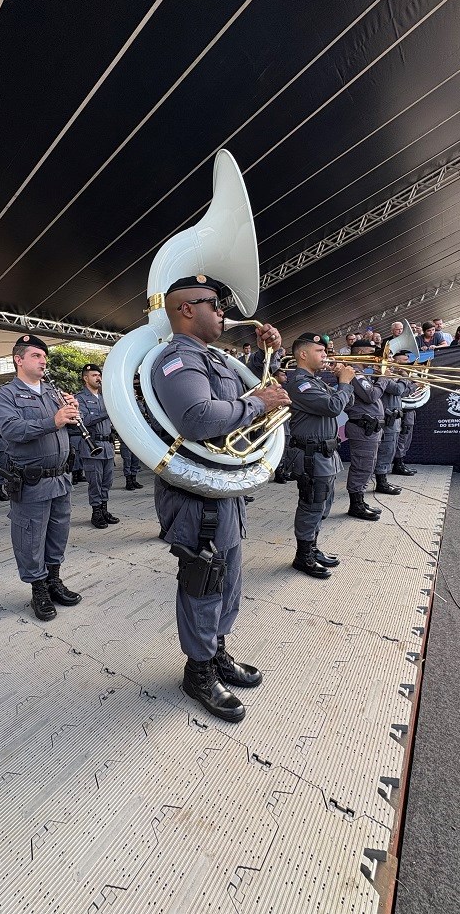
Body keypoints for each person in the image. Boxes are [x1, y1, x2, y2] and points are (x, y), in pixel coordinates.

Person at [151, 275, 291, 723]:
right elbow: (197, 417)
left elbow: (241, 400)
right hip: (196, 494)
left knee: (227, 580)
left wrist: (266, 356)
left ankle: (215, 653)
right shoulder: (177, 358)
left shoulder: (212, 358)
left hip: (220, 489)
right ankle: (198, 672)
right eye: (214, 303)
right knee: (204, 582)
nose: (223, 311)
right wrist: (258, 405)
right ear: (186, 309)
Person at [0, 334, 81, 621]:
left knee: (58, 533)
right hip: (32, 481)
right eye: (36, 356)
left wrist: (72, 413)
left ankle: (54, 580)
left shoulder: (53, 392)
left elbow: (69, 427)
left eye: (44, 356)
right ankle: (38, 589)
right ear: (18, 360)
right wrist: (53, 420)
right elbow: (11, 430)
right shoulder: (6, 395)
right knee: (30, 537)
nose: (43, 361)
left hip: (59, 478)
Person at [284, 333, 355, 578]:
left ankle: (312, 548)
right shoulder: (300, 384)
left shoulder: (316, 382)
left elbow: (347, 402)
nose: (325, 355)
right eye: (320, 351)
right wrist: (343, 384)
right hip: (311, 455)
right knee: (311, 505)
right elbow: (333, 407)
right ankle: (302, 555)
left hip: (324, 454)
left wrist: (343, 381)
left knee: (322, 503)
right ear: (303, 354)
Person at [343, 341, 389, 521]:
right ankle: (355, 505)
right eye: (371, 352)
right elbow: (371, 396)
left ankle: (360, 500)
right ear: (361, 352)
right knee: (362, 466)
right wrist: (383, 377)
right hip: (363, 427)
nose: (375, 357)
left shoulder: (362, 373)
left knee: (367, 465)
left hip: (369, 427)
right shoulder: (354, 372)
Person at [75, 363, 119, 529]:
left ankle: (104, 509)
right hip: (91, 446)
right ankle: (96, 512)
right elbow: (84, 420)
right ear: (85, 378)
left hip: (107, 446)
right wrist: (107, 411)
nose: (98, 378)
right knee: (95, 481)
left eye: (99, 375)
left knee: (107, 481)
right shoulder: (79, 398)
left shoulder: (105, 397)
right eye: (94, 375)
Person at [372, 354, 414, 495]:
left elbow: (402, 392)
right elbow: (397, 390)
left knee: (390, 449)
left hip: (394, 418)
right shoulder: (381, 376)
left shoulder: (389, 376)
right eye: (388, 358)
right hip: (387, 418)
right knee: (386, 450)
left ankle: (383, 479)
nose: (390, 361)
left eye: (390, 358)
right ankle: (381, 482)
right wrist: (404, 377)